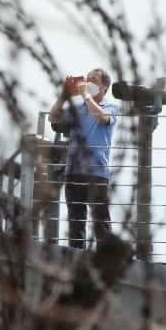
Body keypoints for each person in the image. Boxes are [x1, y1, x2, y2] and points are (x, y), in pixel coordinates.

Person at [47, 68, 118, 249]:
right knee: (76, 221)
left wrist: (86, 96)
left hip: (97, 172)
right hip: (74, 171)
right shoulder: (77, 109)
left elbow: (102, 118)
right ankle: (76, 257)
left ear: (104, 87)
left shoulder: (110, 107)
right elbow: (53, 119)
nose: (87, 82)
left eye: (93, 80)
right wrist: (64, 96)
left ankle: (105, 259)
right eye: (87, 79)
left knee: (100, 220)